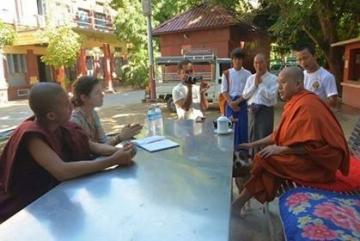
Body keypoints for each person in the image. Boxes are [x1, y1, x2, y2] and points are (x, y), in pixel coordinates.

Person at [0, 82, 136, 222]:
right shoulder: (33, 136)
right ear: (51, 116)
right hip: (28, 205)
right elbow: (62, 171)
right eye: (66, 104)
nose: (72, 105)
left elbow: (93, 146)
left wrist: (121, 151)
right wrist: (112, 161)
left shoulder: (64, 126)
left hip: (56, 195)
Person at [232, 66, 349, 211]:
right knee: (265, 161)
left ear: (298, 84)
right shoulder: (295, 102)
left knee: (266, 160)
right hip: (307, 157)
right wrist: (252, 144)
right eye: (278, 83)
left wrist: (281, 149)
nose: (279, 87)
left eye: (283, 83)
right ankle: (239, 200)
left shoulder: (308, 105)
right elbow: (279, 134)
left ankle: (241, 192)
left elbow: (315, 146)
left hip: (320, 165)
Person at [71, 76, 142, 146]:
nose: (102, 95)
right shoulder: (76, 120)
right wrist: (120, 137)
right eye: (97, 92)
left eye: (101, 91)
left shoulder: (92, 113)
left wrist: (123, 134)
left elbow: (103, 141)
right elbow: (93, 150)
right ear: (84, 97)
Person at [242, 54, 278, 155]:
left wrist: (261, 85)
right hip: (252, 111)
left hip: (265, 111)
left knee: (264, 136)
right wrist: (255, 85)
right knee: (252, 135)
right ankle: (251, 159)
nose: (258, 65)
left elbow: (271, 97)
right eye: (256, 63)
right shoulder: (250, 78)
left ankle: (264, 161)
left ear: (266, 63)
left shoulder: (273, 78)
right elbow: (245, 95)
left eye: (261, 62)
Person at [221, 48, 251, 147]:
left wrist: (238, 102)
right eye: (235, 59)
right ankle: (230, 152)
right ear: (232, 60)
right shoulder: (226, 73)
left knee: (242, 128)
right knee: (230, 128)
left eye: (240, 59)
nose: (238, 61)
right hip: (230, 103)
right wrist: (231, 103)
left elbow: (248, 91)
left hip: (242, 104)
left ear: (243, 60)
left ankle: (242, 155)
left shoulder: (248, 74)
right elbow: (224, 90)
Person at [295, 44, 338, 108]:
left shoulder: (327, 76)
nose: (303, 62)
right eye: (299, 60)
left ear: (315, 56)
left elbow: (333, 102)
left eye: (305, 58)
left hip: (318, 115)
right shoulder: (301, 75)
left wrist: (311, 101)